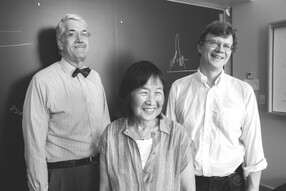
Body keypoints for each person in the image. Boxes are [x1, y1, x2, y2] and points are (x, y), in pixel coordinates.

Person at [166, 21, 267, 191]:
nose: (221, 49)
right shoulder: (179, 87)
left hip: (231, 183)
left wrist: (253, 188)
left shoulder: (243, 91)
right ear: (200, 47)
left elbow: (253, 145)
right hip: (189, 182)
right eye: (214, 42)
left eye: (227, 46)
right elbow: (169, 140)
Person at [22, 13, 110, 191]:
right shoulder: (42, 81)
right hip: (64, 176)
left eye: (84, 33)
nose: (80, 39)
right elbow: (34, 146)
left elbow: (106, 128)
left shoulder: (95, 77)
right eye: (71, 34)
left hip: (100, 172)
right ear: (60, 44)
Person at [99, 60, 195, 191]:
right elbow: (105, 187)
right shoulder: (111, 134)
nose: (151, 101)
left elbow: (188, 188)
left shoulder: (177, 134)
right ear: (129, 95)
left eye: (158, 92)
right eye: (144, 92)